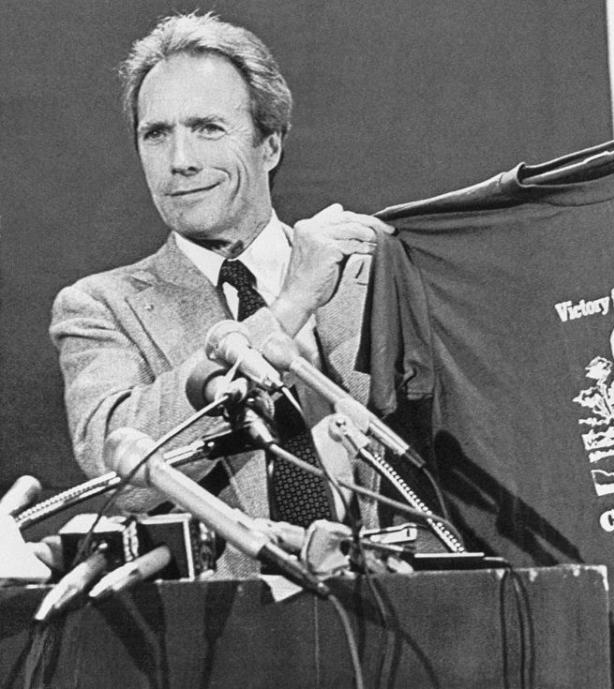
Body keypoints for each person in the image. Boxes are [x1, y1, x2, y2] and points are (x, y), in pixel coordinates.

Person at [49, 12, 392, 576]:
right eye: (156, 134)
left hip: (398, 621)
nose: (180, 160)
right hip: (228, 638)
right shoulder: (99, 307)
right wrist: (286, 309)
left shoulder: (368, 276)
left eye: (207, 127)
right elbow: (123, 470)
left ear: (270, 145)